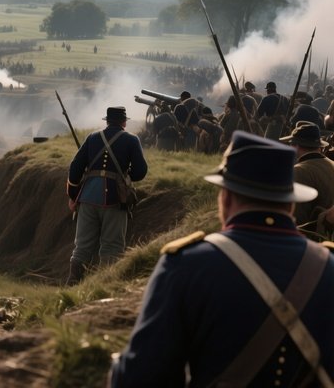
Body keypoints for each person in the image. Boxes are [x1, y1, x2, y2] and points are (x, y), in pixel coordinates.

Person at [109, 131, 334, 387]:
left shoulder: (186, 265)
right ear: (290, 205)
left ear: (225, 198)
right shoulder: (328, 267)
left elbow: (141, 378)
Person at [66, 106, 148, 284]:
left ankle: (71, 286)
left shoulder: (92, 137)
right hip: (115, 200)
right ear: (124, 122)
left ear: (107, 121)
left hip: (87, 198)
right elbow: (140, 172)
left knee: (81, 248)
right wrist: (126, 176)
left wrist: (73, 196)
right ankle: (104, 288)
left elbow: (75, 169)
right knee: (112, 248)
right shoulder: (132, 140)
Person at [280, 120, 334, 237]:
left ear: (296, 146)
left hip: (316, 239)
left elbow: (296, 219)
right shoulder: (331, 164)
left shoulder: (299, 171)